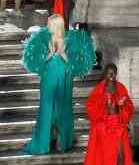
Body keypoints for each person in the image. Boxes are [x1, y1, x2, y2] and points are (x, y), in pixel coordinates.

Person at [22, 14, 96, 155]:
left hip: (64, 75)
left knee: (64, 107)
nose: (48, 26)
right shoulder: (45, 39)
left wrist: (63, 54)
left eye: (50, 24)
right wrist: (49, 55)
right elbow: (40, 63)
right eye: (48, 24)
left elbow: (73, 65)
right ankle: (43, 142)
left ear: (57, 25)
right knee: (46, 107)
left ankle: (63, 141)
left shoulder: (69, 40)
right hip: (48, 75)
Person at [82, 63, 135, 165]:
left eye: (113, 73)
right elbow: (90, 106)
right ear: (105, 73)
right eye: (109, 73)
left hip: (118, 124)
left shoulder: (121, 87)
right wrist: (104, 109)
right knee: (105, 156)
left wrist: (121, 105)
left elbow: (129, 106)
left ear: (116, 74)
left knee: (121, 155)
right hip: (104, 126)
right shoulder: (99, 89)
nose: (111, 75)